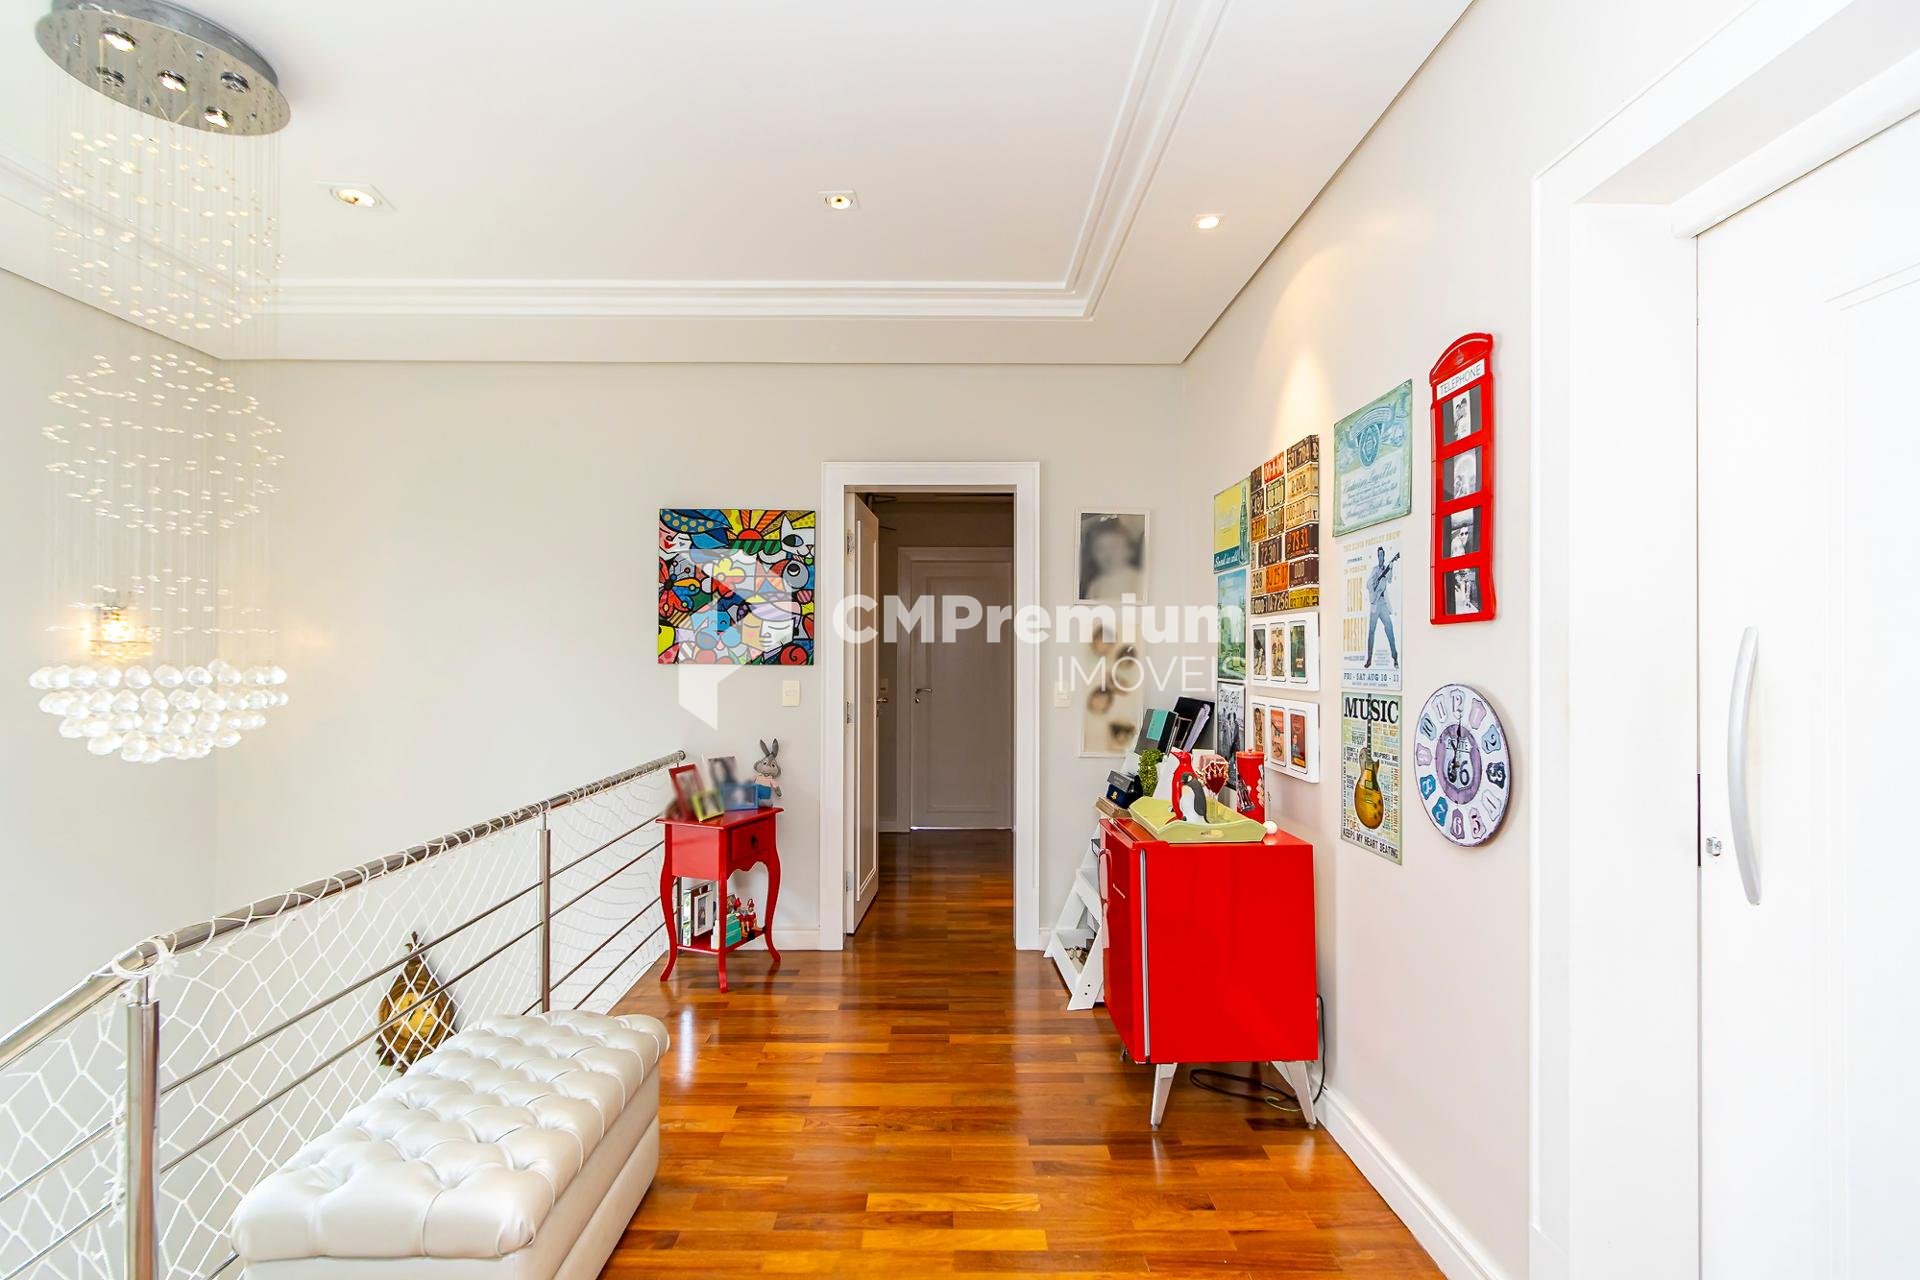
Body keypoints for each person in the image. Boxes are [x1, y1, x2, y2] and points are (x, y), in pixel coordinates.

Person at [1081, 517, 1142, 600]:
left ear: (1129, 550)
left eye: (1113, 546)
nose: (1107, 553)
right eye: (1100, 549)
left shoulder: (1138, 579)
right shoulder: (1095, 585)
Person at [1363, 545, 1400, 669]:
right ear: (1377, 556)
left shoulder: (1386, 568)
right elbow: (1368, 584)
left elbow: (1389, 580)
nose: (1380, 557)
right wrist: (1375, 582)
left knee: (1389, 627)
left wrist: (1391, 568)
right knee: (1371, 631)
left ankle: (1395, 657)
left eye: (1382, 555)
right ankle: (1369, 659)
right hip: (1375, 603)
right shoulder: (1374, 569)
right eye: (1379, 555)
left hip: (1383, 603)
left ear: (1384, 556)